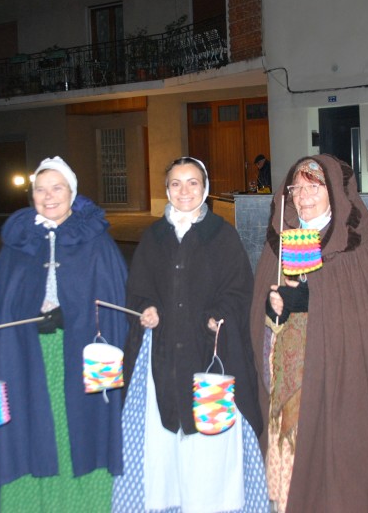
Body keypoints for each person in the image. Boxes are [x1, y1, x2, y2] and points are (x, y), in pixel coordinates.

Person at [249, 155, 368, 512]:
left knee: (340, 447)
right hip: (292, 374)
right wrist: (276, 310)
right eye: (297, 188)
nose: (303, 196)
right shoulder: (280, 244)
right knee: (294, 443)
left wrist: (310, 299)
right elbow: (262, 316)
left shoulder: (362, 247)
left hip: (345, 374)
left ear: (336, 193)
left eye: (315, 187)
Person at [113, 156, 268, 512]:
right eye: (176, 183)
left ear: (205, 188)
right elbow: (138, 289)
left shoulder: (222, 236)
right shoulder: (153, 237)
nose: (184, 191)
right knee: (164, 440)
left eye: (192, 182)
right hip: (164, 355)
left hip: (209, 353)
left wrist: (219, 315)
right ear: (167, 189)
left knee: (209, 444)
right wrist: (147, 308)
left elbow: (238, 291)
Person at [0, 156, 128, 512]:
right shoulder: (19, 242)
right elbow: (3, 301)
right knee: (35, 426)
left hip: (83, 354)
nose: (49, 196)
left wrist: (78, 318)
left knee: (78, 428)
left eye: (57, 188)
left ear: (72, 193)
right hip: (29, 354)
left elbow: (114, 302)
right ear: (32, 194)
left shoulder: (96, 242)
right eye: (41, 189)